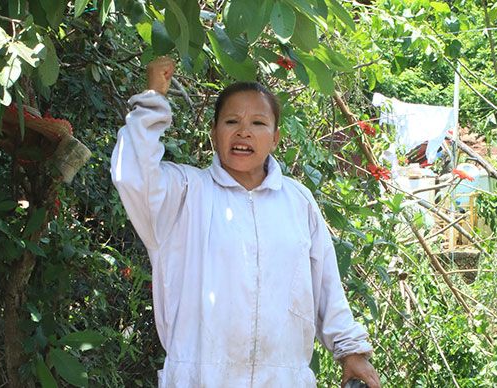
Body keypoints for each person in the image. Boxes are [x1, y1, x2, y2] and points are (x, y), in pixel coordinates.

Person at [111, 57, 381, 388]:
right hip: (201, 379)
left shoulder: (297, 202)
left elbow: (326, 285)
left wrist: (350, 352)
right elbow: (133, 173)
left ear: (275, 138)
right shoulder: (182, 195)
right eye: (231, 122)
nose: (243, 131)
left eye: (258, 123)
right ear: (214, 134)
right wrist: (153, 97)